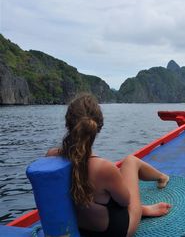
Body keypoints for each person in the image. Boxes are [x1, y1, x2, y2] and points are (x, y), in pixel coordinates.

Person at [46, 93, 171, 237]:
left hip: (77, 227)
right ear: (98, 127)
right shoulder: (103, 168)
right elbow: (125, 202)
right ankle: (162, 178)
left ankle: (144, 207)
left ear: (67, 123)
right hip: (114, 232)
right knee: (131, 161)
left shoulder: (51, 157)